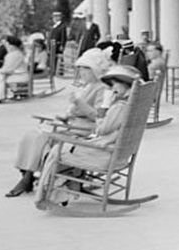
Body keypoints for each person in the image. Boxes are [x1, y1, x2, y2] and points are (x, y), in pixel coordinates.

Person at [5, 47, 113, 197]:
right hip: (73, 124)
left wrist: (79, 102)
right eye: (80, 70)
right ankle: (26, 174)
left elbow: (99, 117)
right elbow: (77, 110)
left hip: (84, 130)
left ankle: (27, 178)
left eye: (85, 70)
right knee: (31, 135)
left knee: (42, 137)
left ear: (95, 70)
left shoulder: (102, 89)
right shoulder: (88, 86)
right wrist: (67, 116)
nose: (81, 73)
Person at [34, 64, 143, 209]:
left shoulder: (120, 107)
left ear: (127, 85)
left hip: (104, 156)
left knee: (57, 150)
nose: (112, 88)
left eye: (116, 84)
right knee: (65, 147)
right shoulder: (133, 106)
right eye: (111, 85)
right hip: (119, 156)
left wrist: (105, 106)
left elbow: (101, 130)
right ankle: (67, 187)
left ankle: (47, 195)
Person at [0, 35, 29, 104]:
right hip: (16, 73)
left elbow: (9, 68)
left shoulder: (15, 54)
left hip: (19, 75)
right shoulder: (14, 53)